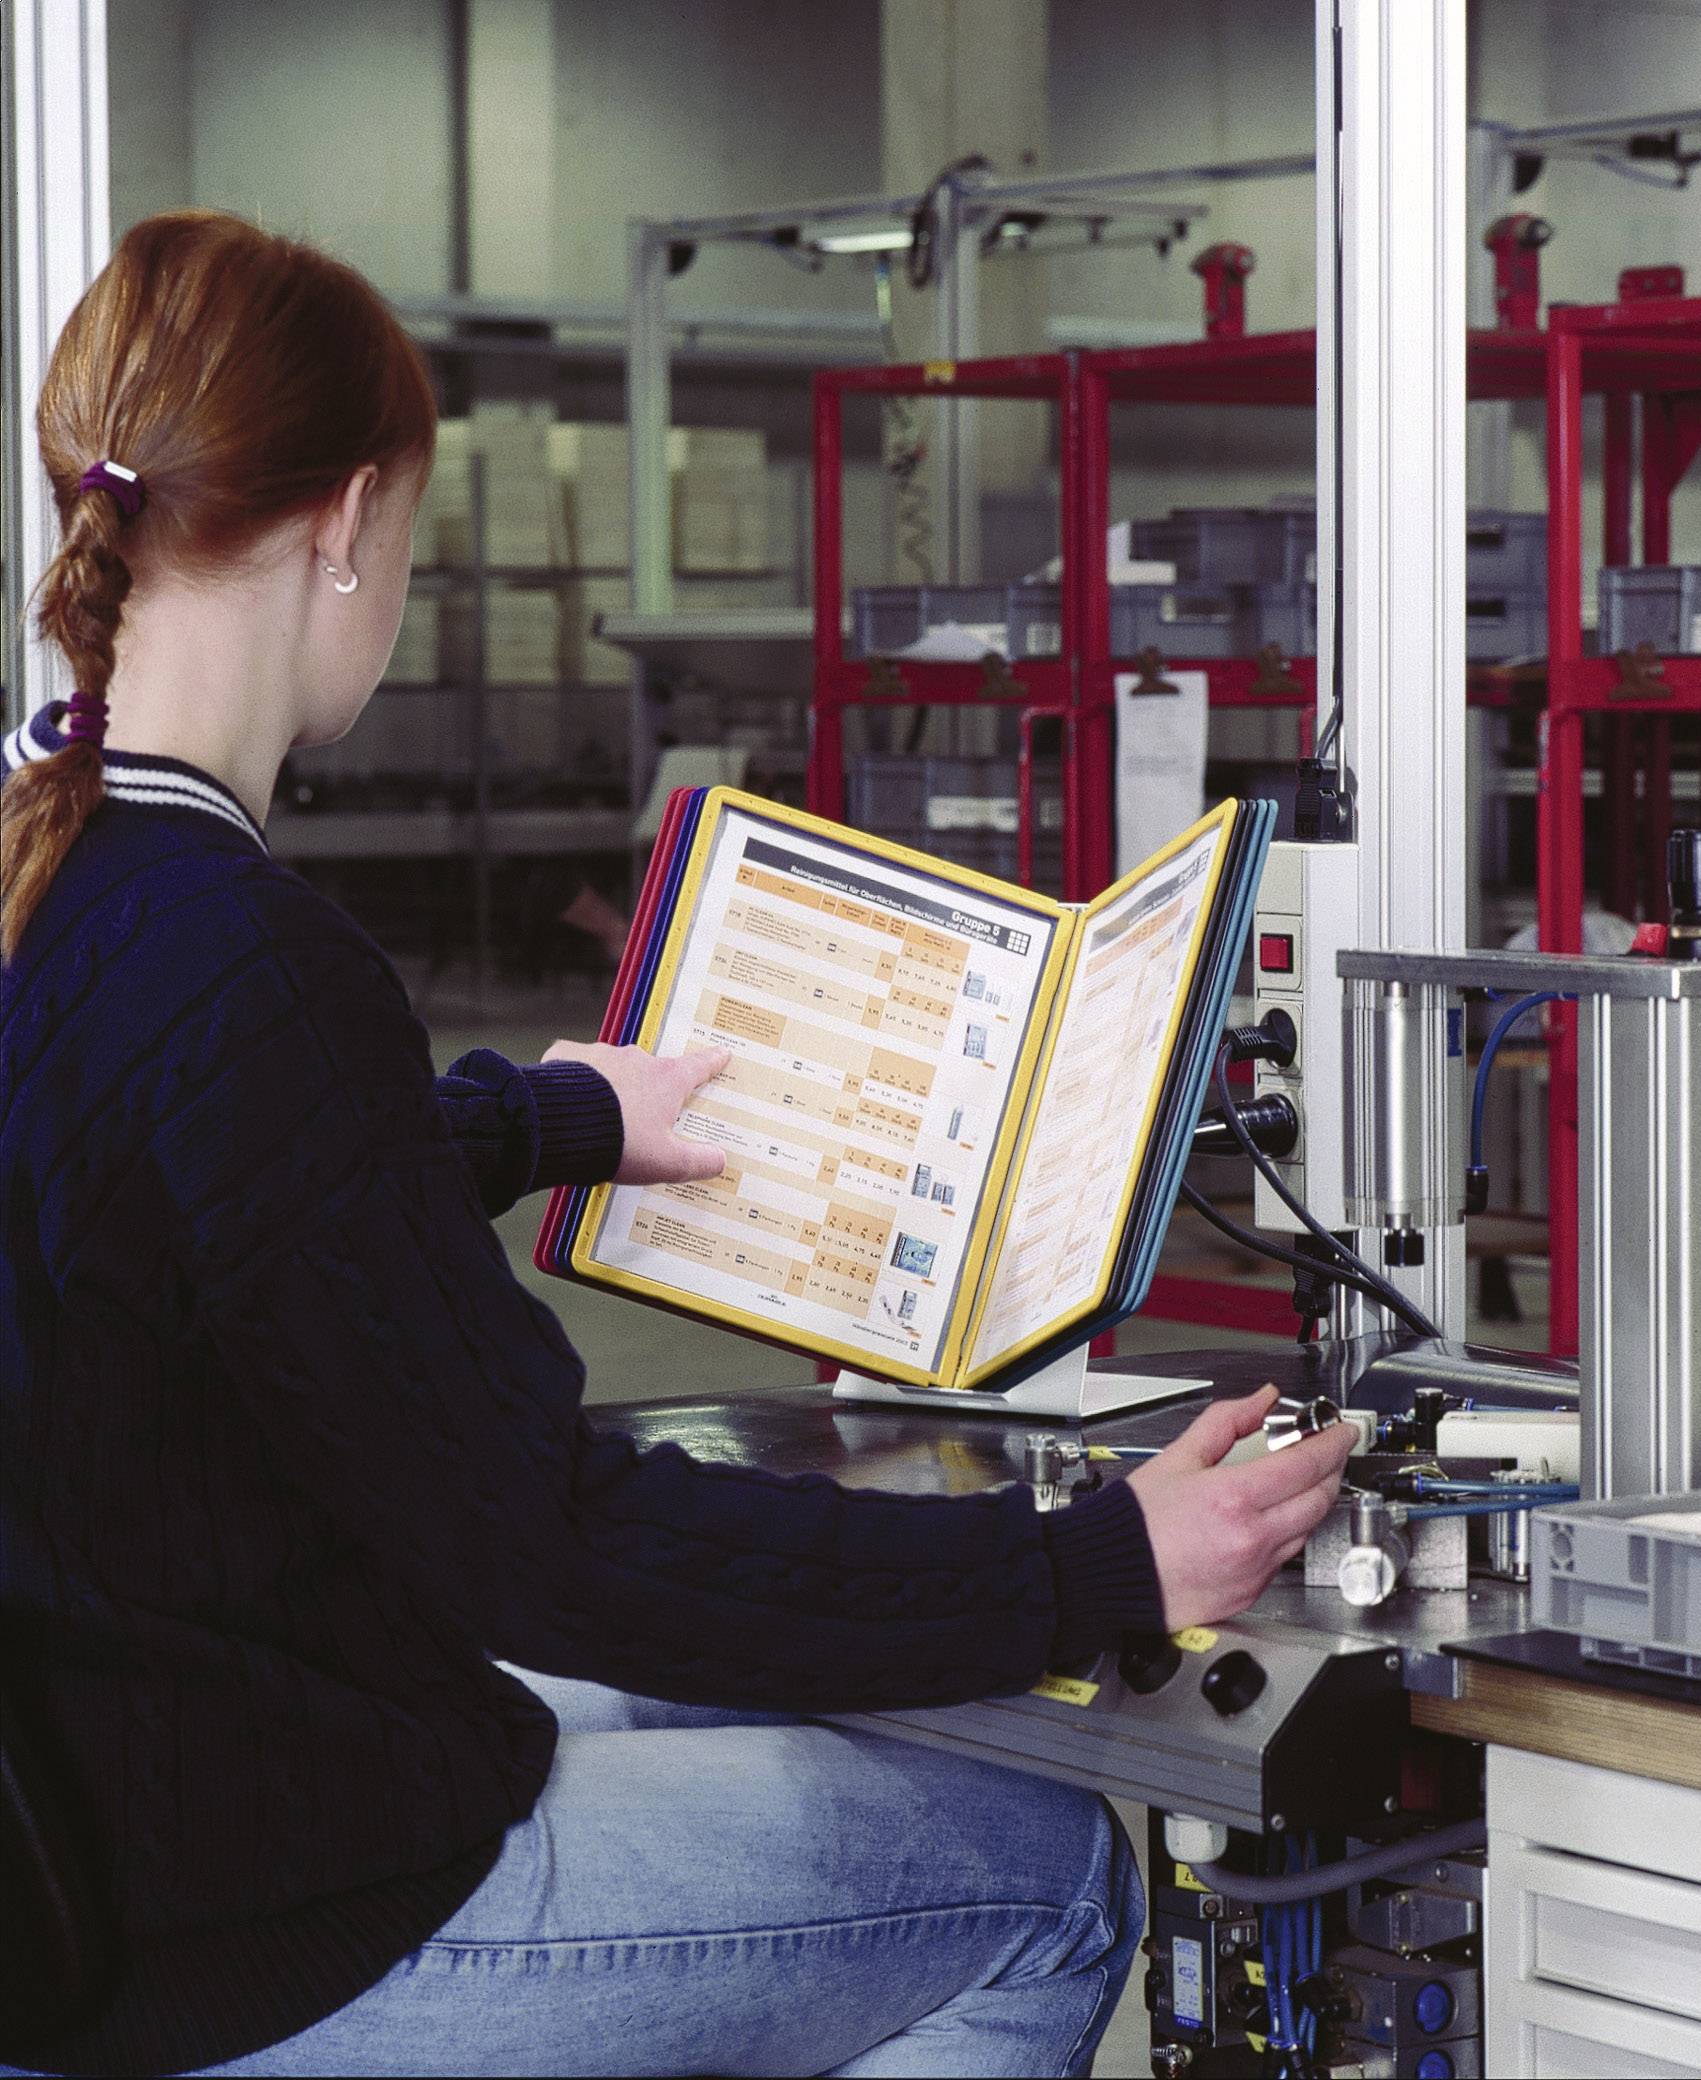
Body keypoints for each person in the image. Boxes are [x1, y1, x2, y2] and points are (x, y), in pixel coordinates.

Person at [0, 211, 1353, 2080]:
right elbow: (548, 1542)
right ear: (348, 522)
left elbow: (183, 1183)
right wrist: (1096, 1566)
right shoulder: (248, 959)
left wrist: (551, 1118)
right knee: (1043, 1875)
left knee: (699, 1721)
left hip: (101, 1852)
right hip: (263, 1916)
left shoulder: (57, 878)